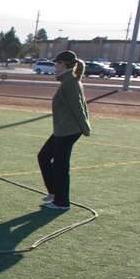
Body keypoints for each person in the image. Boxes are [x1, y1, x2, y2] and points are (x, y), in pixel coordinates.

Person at [37, 50, 91, 211]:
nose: (55, 66)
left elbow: (79, 107)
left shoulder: (70, 83)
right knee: (44, 156)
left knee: (60, 165)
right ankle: (55, 193)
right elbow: (82, 104)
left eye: (57, 63)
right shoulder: (69, 81)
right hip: (63, 130)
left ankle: (62, 202)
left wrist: (85, 127)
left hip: (68, 130)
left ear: (63, 64)